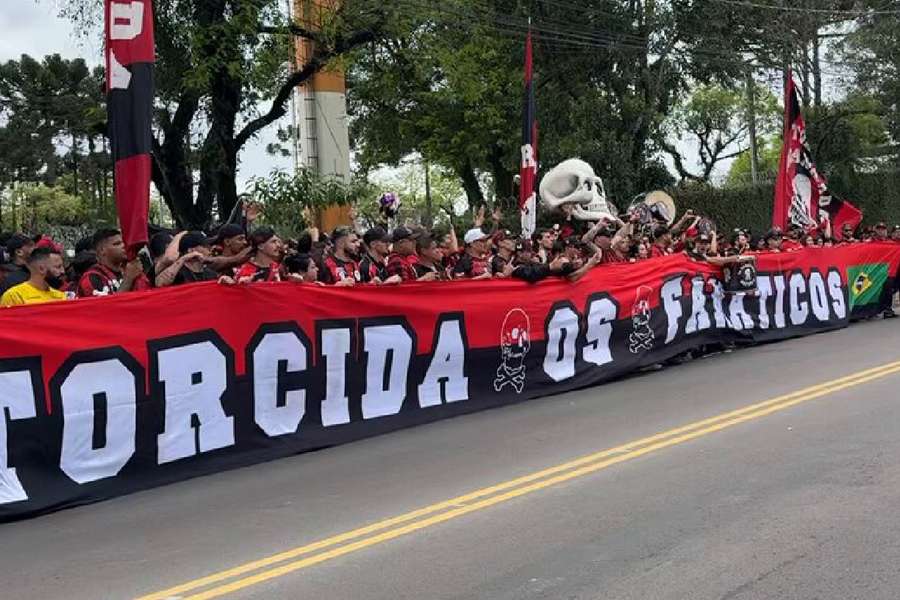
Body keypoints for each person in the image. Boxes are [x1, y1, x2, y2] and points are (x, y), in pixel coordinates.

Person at [77, 229, 150, 297]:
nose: (124, 246)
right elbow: (106, 308)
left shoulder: (129, 270)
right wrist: (128, 279)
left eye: (124, 242)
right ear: (102, 250)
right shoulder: (91, 278)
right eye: (117, 244)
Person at [0, 247, 68, 307]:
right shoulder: (15, 296)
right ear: (41, 269)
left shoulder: (61, 297)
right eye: (58, 267)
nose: (63, 271)